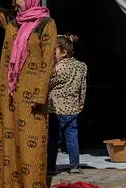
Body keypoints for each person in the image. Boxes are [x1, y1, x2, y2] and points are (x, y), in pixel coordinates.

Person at [0, 0, 58, 188]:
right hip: (9, 95)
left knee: (30, 150)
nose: (15, 2)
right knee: (9, 146)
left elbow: (47, 62)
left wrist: (40, 95)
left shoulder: (45, 24)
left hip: (32, 99)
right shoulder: (12, 21)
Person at [47, 34, 88, 175]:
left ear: (63, 53)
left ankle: (51, 167)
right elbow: (83, 88)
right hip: (72, 109)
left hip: (56, 109)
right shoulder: (81, 67)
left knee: (53, 138)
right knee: (72, 138)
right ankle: (75, 166)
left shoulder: (57, 68)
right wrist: (80, 105)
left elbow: (49, 84)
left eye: (54, 52)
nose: (52, 55)